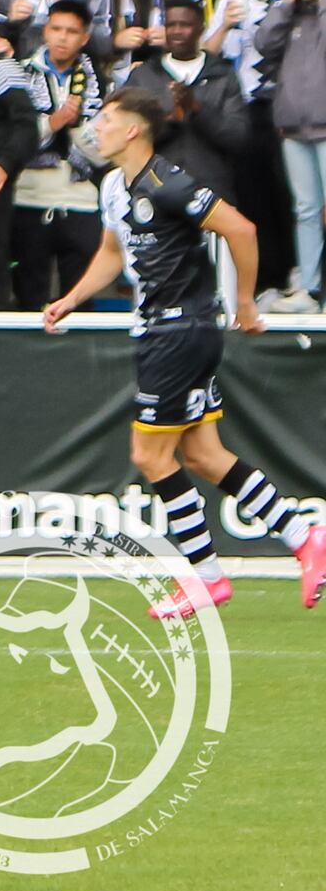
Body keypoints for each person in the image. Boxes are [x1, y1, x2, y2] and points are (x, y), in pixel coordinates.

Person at [35, 81, 326, 616]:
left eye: (105, 119)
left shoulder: (168, 184)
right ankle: (304, 536)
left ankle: (207, 577)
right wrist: (71, 298)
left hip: (180, 332)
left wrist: (244, 303)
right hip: (159, 331)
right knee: (202, 454)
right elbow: (110, 250)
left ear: (133, 129)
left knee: (148, 454)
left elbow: (241, 228)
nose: (96, 127)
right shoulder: (114, 187)